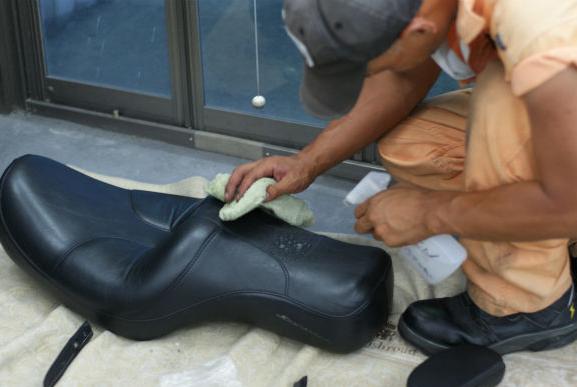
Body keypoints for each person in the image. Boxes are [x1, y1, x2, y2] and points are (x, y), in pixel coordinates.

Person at [223, 0, 577, 355]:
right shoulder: (426, 11)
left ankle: (526, 305)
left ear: (417, 30)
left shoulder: (539, 30)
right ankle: (557, 243)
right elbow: (404, 77)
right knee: (414, 144)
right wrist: (306, 162)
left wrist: (428, 213)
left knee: (500, 98)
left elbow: (569, 204)